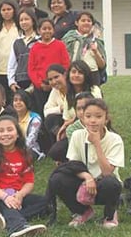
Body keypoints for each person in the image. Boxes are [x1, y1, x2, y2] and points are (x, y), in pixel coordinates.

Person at [46, 98, 123, 228]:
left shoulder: (115, 139)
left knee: (111, 183)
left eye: (98, 116)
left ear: (106, 119)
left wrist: (97, 143)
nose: (93, 120)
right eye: (88, 116)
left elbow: (107, 172)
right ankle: (82, 211)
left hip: (104, 184)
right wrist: (87, 177)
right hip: (82, 181)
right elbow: (73, 164)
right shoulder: (77, 135)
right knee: (58, 179)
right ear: (83, 118)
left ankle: (110, 215)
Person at [0, 115, 47, 237]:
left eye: (10, 130)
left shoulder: (25, 154)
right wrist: (6, 197)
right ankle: (17, 227)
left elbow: (29, 182)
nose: (5, 134)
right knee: (6, 204)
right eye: (1, 131)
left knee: (47, 203)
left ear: (18, 133)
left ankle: (5, 217)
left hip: (16, 194)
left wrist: (20, 195)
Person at [27, 18, 70, 117]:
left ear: (53, 30)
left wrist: (57, 81)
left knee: (58, 110)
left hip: (58, 85)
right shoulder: (35, 47)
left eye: (49, 28)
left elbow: (66, 64)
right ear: (38, 31)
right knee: (41, 110)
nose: (47, 31)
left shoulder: (60, 45)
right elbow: (31, 69)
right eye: (44, 28)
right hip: (41, 86)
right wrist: (39, 83)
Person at [48, 91, 94, 163]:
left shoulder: (99, 123)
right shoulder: (71, 129)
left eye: (85, 107)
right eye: (78, 109)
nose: (82, 112)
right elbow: (75, 152)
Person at [62, 11, 106, 86]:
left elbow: (102, 65)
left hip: (92, 74)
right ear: (76, 23)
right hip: (74, 74)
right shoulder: (69, 38)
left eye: (89, 21)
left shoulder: (96, 40)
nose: (86, 23)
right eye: (83, 20)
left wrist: (95, 52)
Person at [0, 0, 20, 100]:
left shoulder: (19, 27)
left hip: (16, 69)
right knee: (3, 99)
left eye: (9, 9)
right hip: (1, 69)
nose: (6, 12)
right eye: (3, 10)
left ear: (14, 10)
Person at [7, 8, 38, 93]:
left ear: (33, 21)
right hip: (20, 81)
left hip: (36, 82)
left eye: (26, 19)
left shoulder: (39, 40)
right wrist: (12, 82)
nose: (24, 22)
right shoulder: (17, 42)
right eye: (21, 20)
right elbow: (12, 65)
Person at [12, 89, 44, 160]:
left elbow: (31, 140)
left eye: (21, 100)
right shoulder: (11, 118)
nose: (18, 102)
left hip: (31, 149)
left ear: (27, 102)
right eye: (15, 100)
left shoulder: (35, 118)